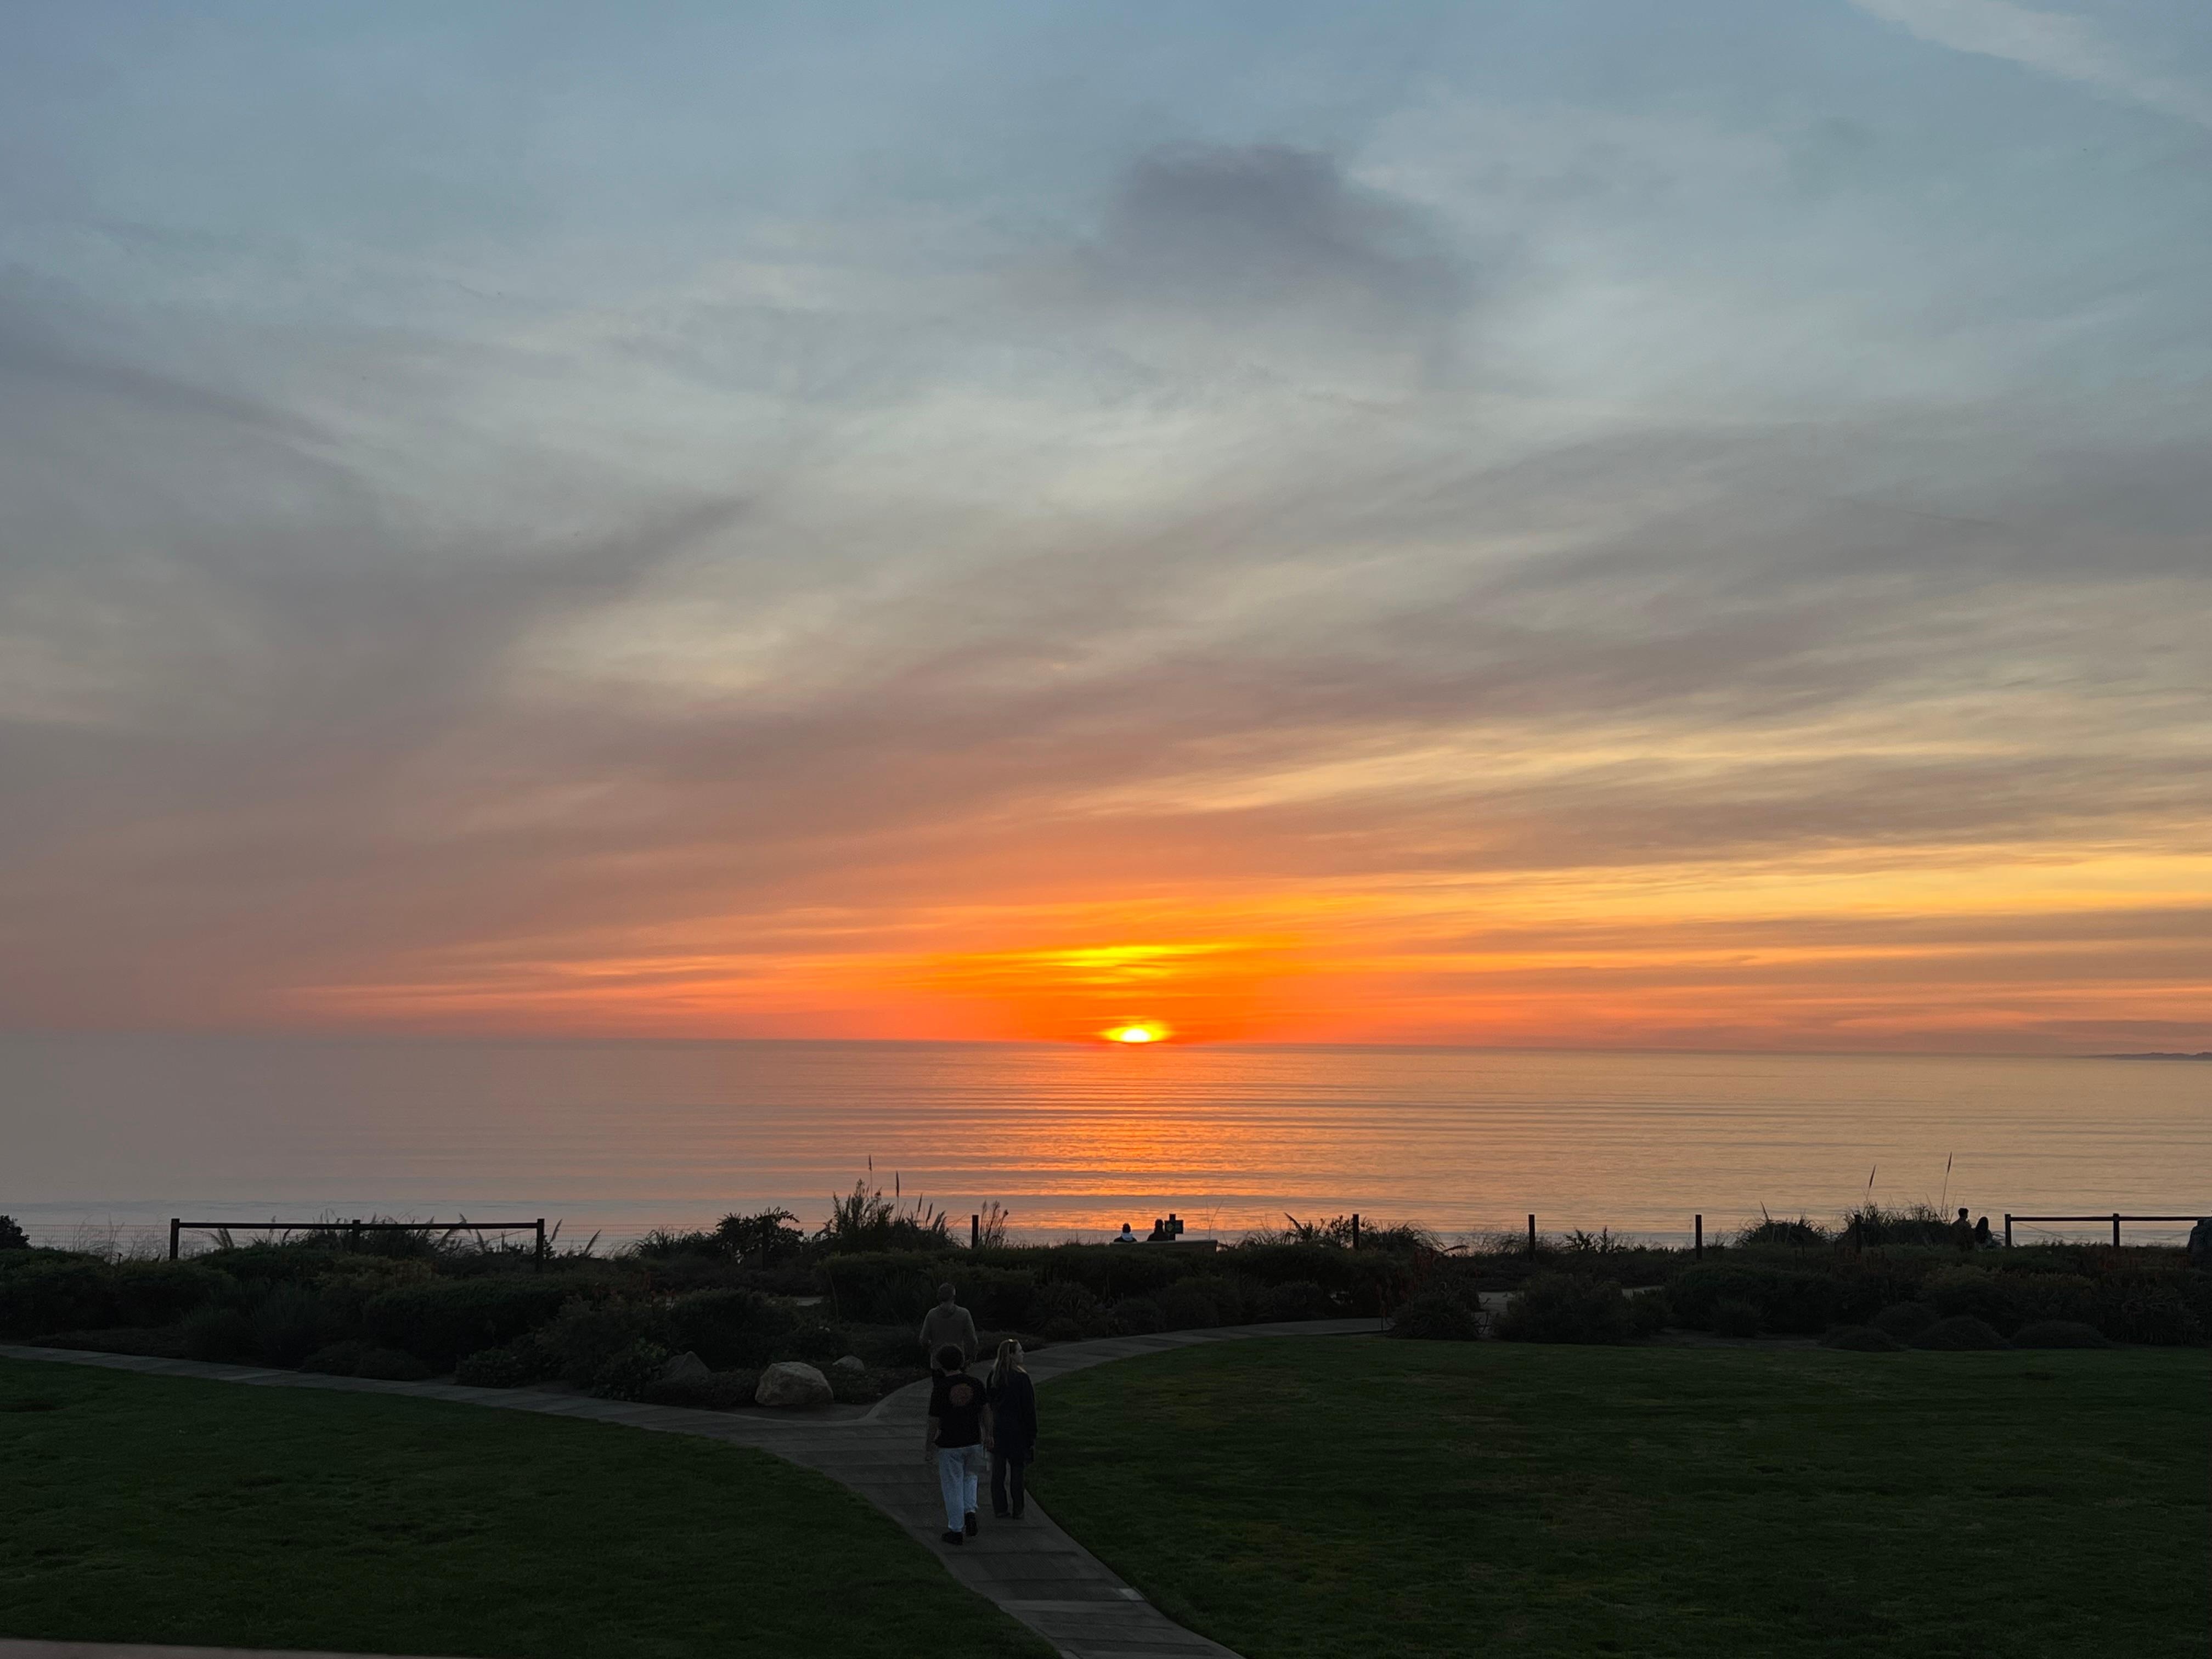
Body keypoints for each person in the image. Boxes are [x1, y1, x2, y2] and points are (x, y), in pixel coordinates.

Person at [924, 1344, 990, 1545]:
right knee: (971, 1478)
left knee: (952, 1484)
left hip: (950, 1443)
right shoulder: (977, 1384)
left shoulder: (941, 1388)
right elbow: (986, 1410)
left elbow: (934, 1420)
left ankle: (955, 1529)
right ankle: (970, 1510)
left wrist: (929, 1445)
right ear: (962, 1362)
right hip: (974, 1440)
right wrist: (989, 1434)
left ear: (941, 1365)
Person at [985, 1338, 1037, 1521]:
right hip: (1018, 1431)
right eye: (1020, 1351)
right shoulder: (1022, 1379)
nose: (1023, 1354)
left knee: (998, 1472)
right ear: (1012, 1355)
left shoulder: (994, 1377)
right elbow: (1029, 1410)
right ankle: (1019, 1508)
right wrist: (1032, 1436)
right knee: (1017, 1471)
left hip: (999, 1429)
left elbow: (988, 1405)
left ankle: (1000, 1508)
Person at [919, 1282, 979, 1368]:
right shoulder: (964, 1314)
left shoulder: (932, 1315)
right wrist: (972, 1358)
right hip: (958, 1362)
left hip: (938, 1363)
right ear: (954, 1297)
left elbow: (924, 1340)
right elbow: (972, 1340)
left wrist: (932, 1350)